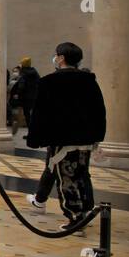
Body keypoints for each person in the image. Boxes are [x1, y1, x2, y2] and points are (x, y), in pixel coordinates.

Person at [26, 42, 106, 229]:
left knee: (66, 178)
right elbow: (99, 111)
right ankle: (85, 210)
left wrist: (36, 138)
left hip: (62, 138)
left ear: (61, 58)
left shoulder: (49, 82)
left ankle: (75, 217)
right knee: (82, 174)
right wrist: (97, 136)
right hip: (84, 139)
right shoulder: (89, 81)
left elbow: (40, 113)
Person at [8, 55, 39, 139]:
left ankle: (31, 134)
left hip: (25, 98)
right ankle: (33, 133)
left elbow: (21, 85)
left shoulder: (24, 73)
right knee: (31, 116)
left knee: (27, 116)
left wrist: (17, 93)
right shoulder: (34, 72)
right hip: (34, 97)